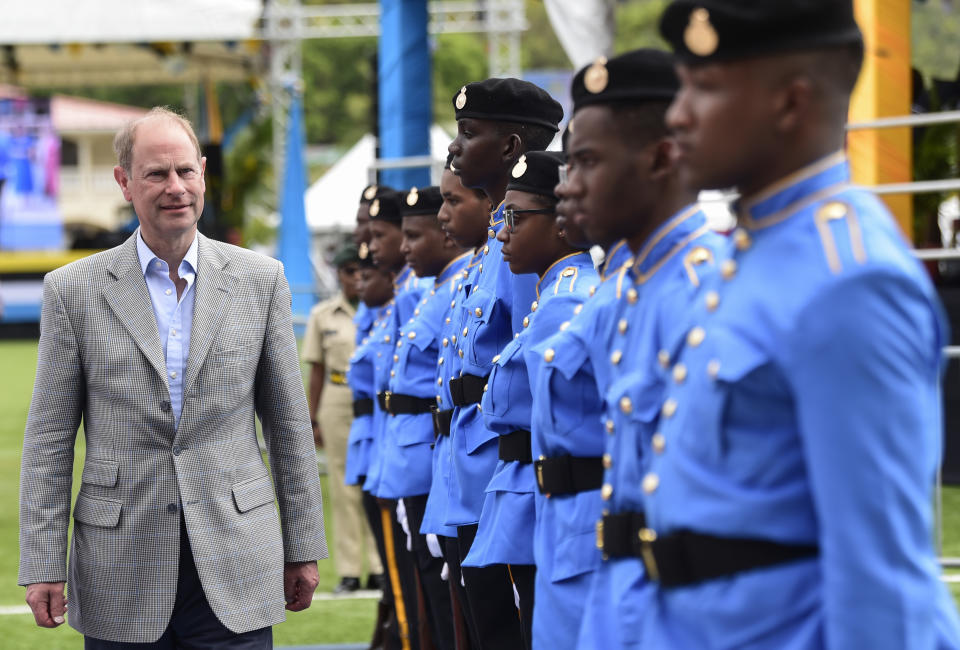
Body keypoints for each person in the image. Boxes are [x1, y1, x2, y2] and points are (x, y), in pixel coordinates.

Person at [629, 1, 960, 647]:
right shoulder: (754, 250)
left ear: (790, 104)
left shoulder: (849, 280)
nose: (678, 114)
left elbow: (881, 581)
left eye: (706, 87)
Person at [18, 107, 327, 647]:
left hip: (237, 560)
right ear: (124, 182)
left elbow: (289, 426)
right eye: (156, 174)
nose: (175, 187)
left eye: (185, 171)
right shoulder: (72, 290)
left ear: (203, 173)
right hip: (121, 566)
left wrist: (302, 543)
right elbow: (49, 439)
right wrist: (42, 561)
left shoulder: (262, 280)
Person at [534, 49, 725, 650]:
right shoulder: (628, 289)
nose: (567, 186)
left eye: (586, 163)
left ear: (662, 156)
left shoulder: (706, 289)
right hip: (612, 586)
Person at [446, 77, 562, 650]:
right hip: (473, 469)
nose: (453, 148)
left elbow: (526, 376)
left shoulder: (524, 248)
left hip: (504, 469)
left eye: (469, 134)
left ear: (512, 148)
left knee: (509, 630)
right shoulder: (496, 240)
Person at [466, 150, 597, 648]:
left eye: (515, 217)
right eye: (503, 217)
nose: (502, 230)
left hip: (558, 501)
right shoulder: (549, 296)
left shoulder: (570, 297)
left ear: (562, 222)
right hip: (529, 494)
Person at [386, 185, 472, 649]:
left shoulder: (458, 287)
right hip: (419, 453)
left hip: (437, 451)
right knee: (432, 590)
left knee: (447, 598)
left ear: (447, 238)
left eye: (415, 237)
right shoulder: (437, 291)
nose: (404, 248)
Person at [421, 154, 493, 650]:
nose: (442, 217)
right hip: (460, 463)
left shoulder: (511, 263)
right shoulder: (481, 263)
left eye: (452, 201)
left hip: (490, 475)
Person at [365, 188, 433, 650]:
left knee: (423, 594)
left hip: (419, 450)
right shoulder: (405, 291)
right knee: (410, 587)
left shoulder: (420, 290)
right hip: (395, 445)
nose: (370, 247)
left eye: (380, 234)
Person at [302, 242, 384, 594]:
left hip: (376, 400)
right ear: (340, 274)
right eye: (350, 271)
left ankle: (379, 566)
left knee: (376, 482)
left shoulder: (383, 308)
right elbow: (317, 370)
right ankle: (350, 570)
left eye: (363, 271)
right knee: (342, 485)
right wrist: (313, 418)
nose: (357, 279)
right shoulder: (324, 314)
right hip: (336, 397)